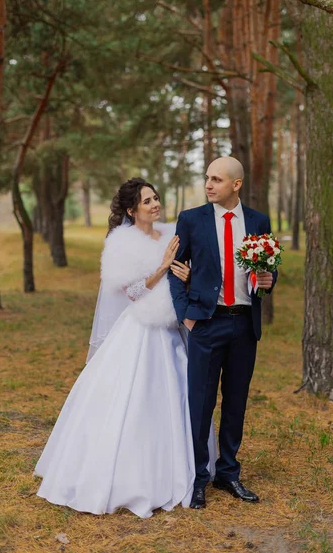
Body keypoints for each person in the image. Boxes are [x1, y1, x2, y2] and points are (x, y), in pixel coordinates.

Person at [34, 178, 199, 518]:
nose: (155, 204)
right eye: (147, 201)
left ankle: (180, 468)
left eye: (156, 198)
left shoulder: (171, 235)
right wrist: (164, 267)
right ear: (131, 210)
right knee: (131, 400)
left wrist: (183, 274)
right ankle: (127, 476)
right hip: (139, 330)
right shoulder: (121, 243)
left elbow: (184, 277)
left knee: (178, 395)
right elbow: (133, 292)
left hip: (169, 329)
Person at [168, 157, 277, 510]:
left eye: (216, 179)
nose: (209, 184)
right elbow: (175, 269)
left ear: (236, 184)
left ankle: (228, 472)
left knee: (236, 401)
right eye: (207, 178)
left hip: (244, 323)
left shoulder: (258, 220)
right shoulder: (191, 219)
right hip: (206, 323)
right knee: (201, 403)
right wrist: (187, 316)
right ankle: (199, 477)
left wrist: (268, 281)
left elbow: (268, 270)